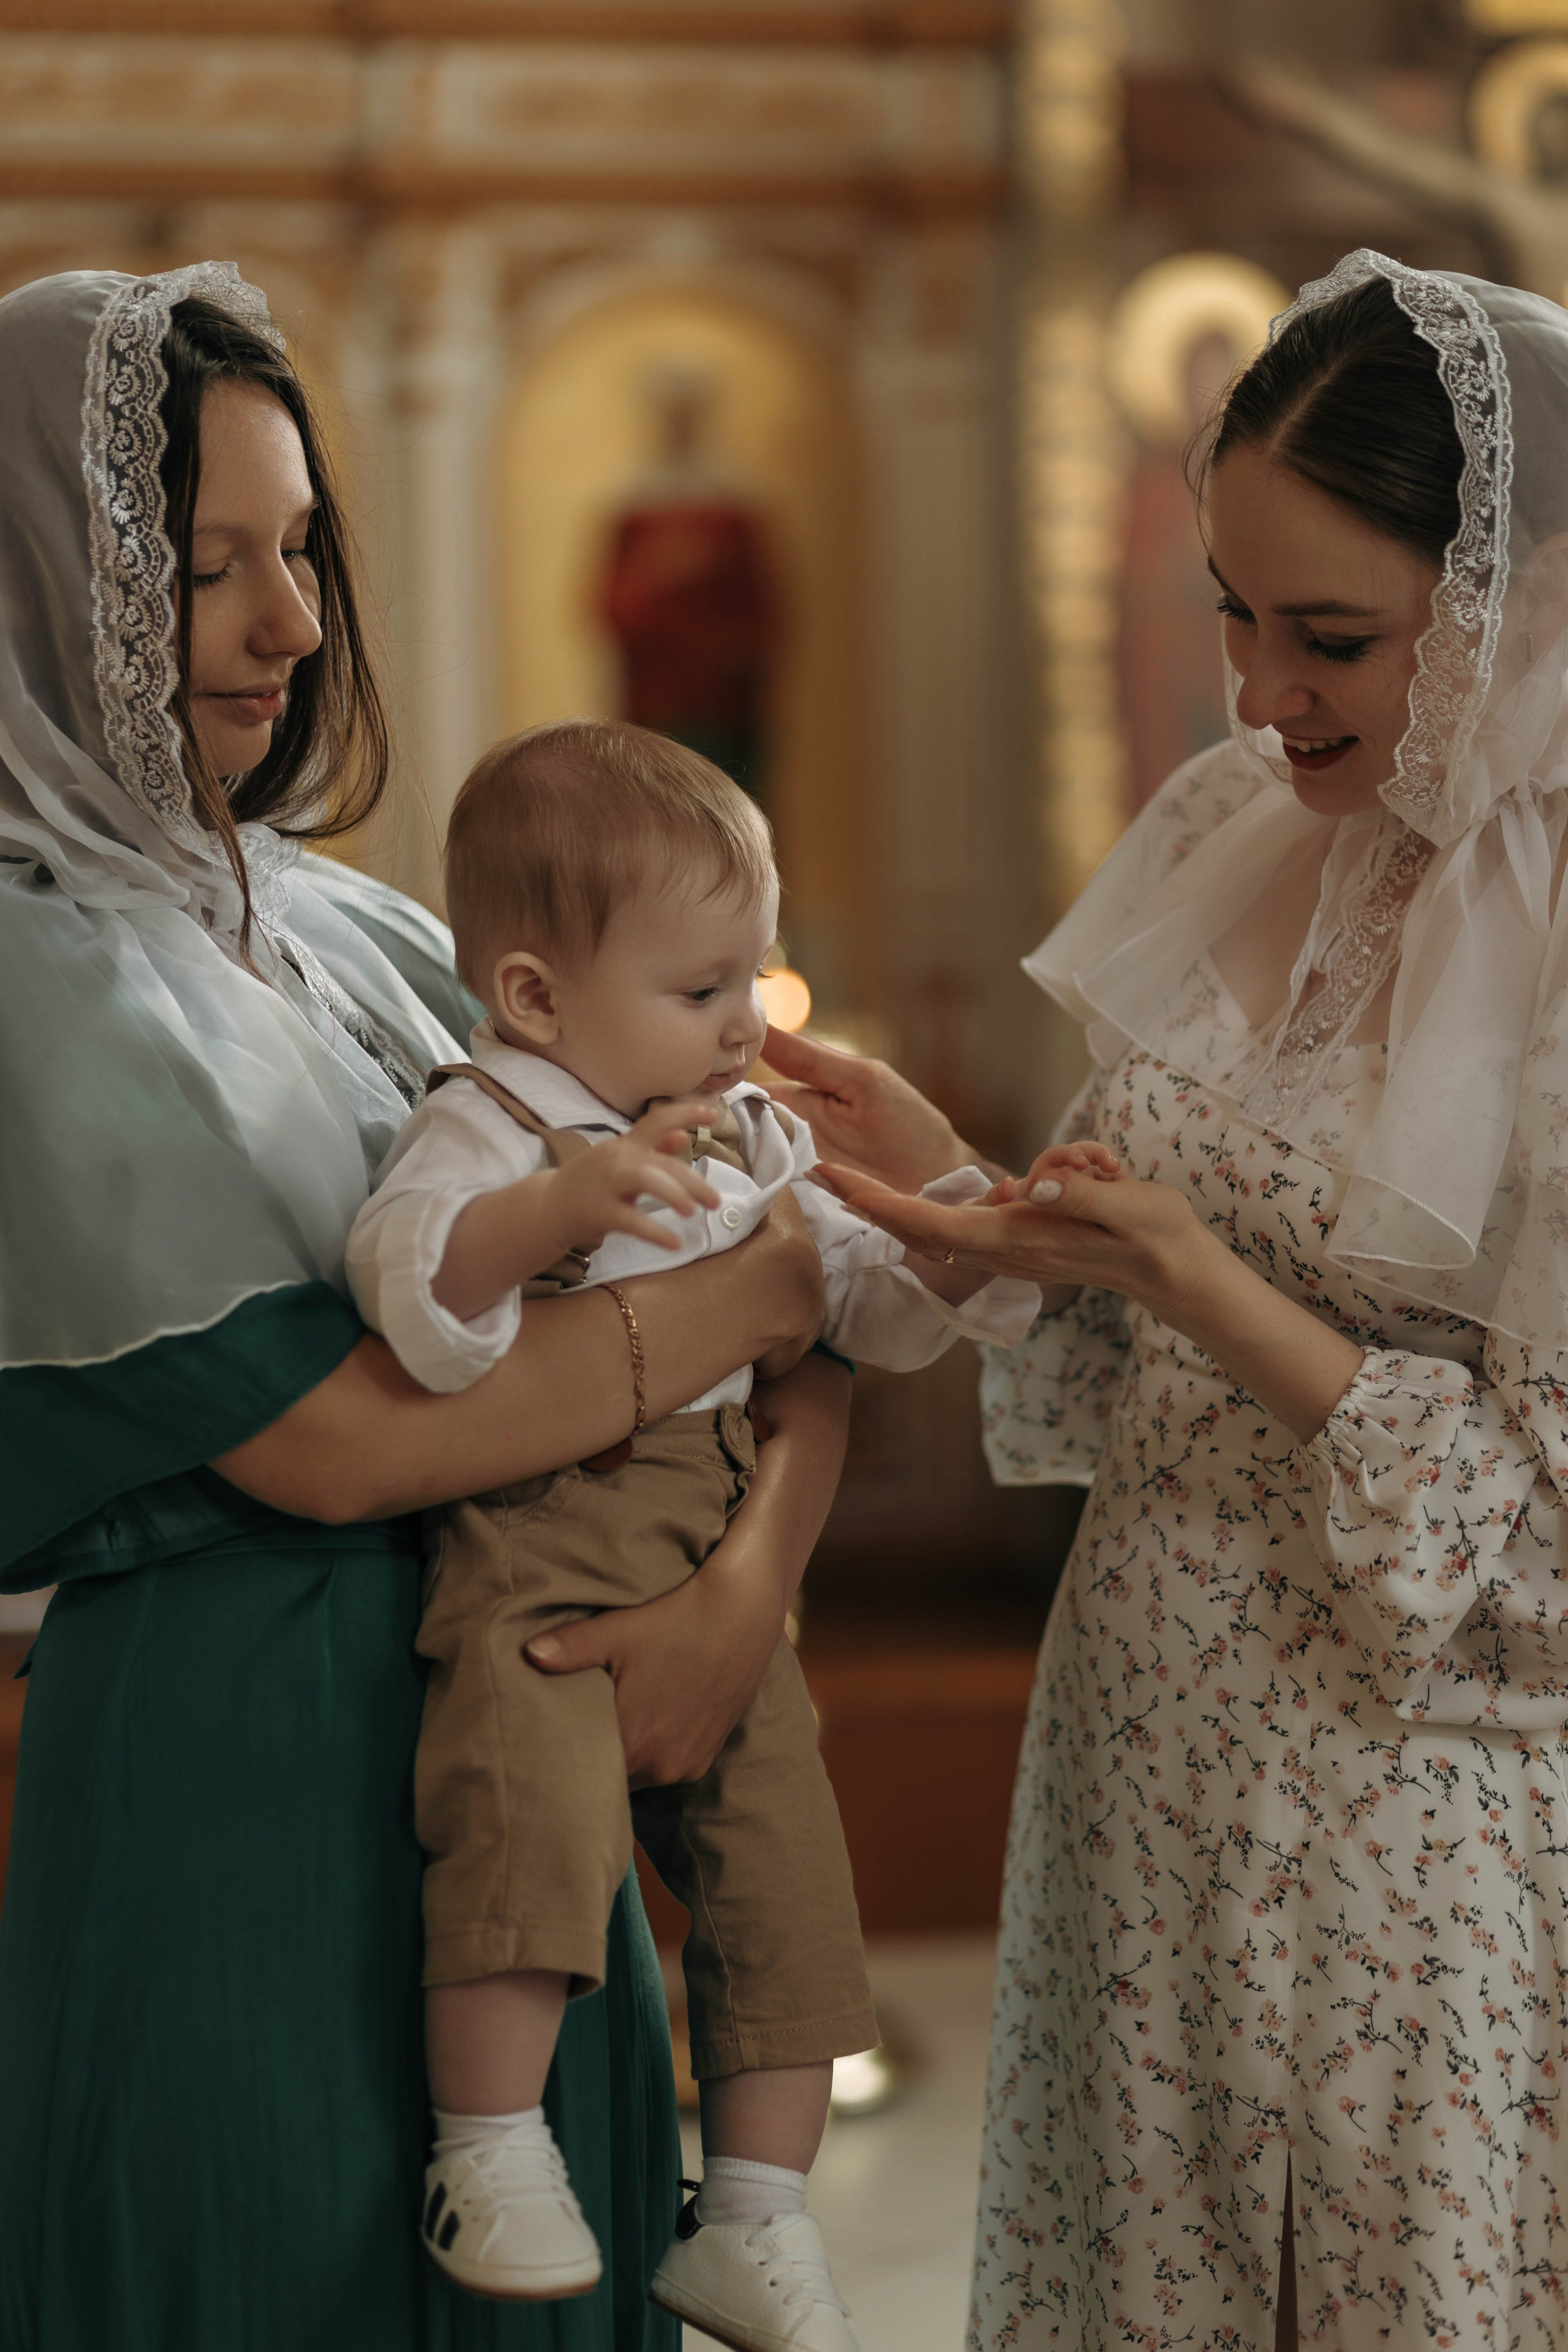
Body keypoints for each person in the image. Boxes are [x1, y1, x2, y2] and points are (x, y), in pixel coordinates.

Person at [0, 264, 842, 2352]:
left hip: (528, 1717)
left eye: (301, 550)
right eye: (208, 569)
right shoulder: (31, 978)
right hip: (243, 1776)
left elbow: (797, 1284)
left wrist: (751, 1582)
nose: (289, 622)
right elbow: (350, 1435)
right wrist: (766, 1288)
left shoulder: (372, 930)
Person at [763, 249, 1568, 2348]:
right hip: (1144, 1746)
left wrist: (1204, 1283)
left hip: (1421, 1825)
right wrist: (974, 1199)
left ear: (1515, 604)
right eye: (1228, 603)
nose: (1254, 693)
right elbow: (1147, 1290)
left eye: (1333, 637)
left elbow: (1555, 1543)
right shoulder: (1244, 820)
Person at [345, 716, 1041, 2343]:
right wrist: (558, 1215)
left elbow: (867, 1308)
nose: (748, 1023)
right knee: (525, 1823)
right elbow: (411, 1295)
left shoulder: (755, 1135)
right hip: (537, 1533)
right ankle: (492, 2143)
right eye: (704, 990)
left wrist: (969, 1231)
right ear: (534, 999)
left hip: (714, 1519)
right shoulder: (496, 1122)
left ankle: (756, 2213)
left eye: (758, 975)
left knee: (786, 1872)